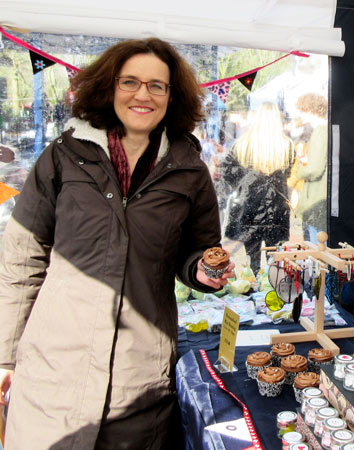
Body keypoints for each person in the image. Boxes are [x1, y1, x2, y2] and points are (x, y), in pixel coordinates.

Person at [0, 38, 234, 449]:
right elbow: (22, 262)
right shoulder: (61, 158)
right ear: (108, 88)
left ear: (171, 96)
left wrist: (202, 269)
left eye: (157, 85)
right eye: (130, 82)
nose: (143, 94)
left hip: (137, 381)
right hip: (54, 373)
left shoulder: (189, 171)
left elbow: (196, 249)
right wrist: (4, 355)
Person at [220, 102, 294, 273]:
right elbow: (288, 172)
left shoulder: (243, 144)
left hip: (249, 206)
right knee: (275, 258)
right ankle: (271, 291)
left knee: (251, 257)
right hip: (276, 208)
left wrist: (243, 184)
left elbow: (226, 170)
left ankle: (254, 288)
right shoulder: (286, 145)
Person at [293, 93, 328, 243]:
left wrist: (299, 171)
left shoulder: (320, 130)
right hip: (320, 197)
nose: (299, 114)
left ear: (310, 110)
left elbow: (315, 169)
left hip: (317, 198)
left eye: (301, 110)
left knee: (317, 250)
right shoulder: (324, 129)